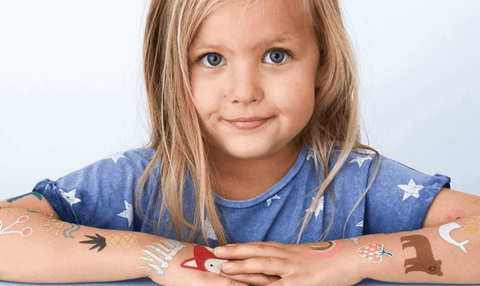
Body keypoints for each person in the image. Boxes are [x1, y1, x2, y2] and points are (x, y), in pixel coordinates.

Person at [0, 0, 479, 285]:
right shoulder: (135, 181)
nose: (245, 91)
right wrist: (158, 257)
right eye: (211, 59)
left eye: (276, 55)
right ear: (170, 73)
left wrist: (346, 259)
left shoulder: (356, 182)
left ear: (323, 66)